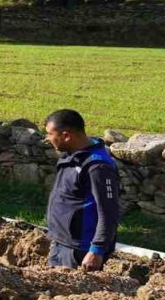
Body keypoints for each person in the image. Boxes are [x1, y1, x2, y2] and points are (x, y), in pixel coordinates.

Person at [43, 109, 121, 271]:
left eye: (50, 134)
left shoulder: (98, 167)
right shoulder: (72, 155)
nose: (47, 139)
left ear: (67, 136)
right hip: (62, 243)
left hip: (80, 251)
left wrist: (97, 250)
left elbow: (109, 212)